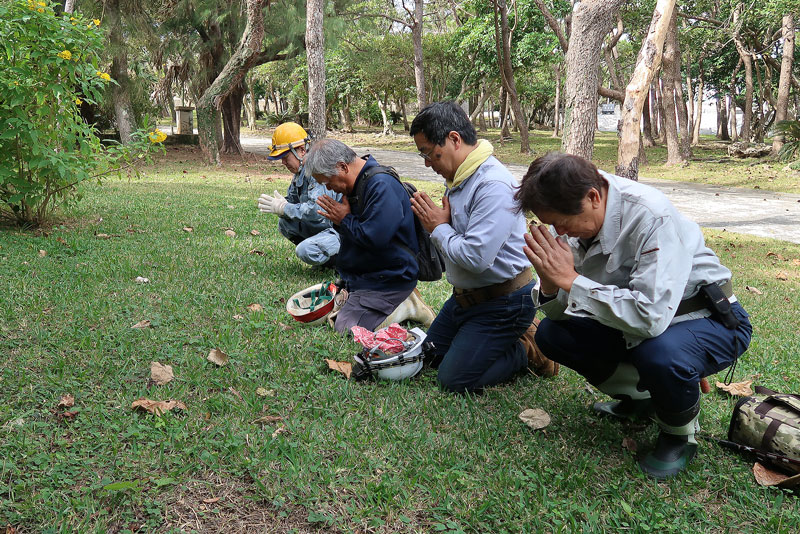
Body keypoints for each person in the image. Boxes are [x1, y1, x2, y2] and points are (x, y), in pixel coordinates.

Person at [515, 152, 752, 479]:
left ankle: (679, 436)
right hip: (643, 321)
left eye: (560, 222)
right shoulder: (576, 214)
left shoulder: (650, 215)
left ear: (593, 197)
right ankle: (642, 400)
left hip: (709, 318)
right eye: (551, 223)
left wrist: (571, 279)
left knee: (659, 353)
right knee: (552, 335)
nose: (558, 232)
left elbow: (650, 318)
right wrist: (551, 283)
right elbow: (565, 311)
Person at [407, 101, 558, 394]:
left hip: (504, 302)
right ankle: (492, 337)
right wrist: (442, 227)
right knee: (429, 357)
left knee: (454, 380)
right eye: (423, 154)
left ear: (453, 139)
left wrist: (438, 228)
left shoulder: (493, 185)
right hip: (466, 299)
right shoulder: (461, 177)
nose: (427, 162)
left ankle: (529, 348)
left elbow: (476, 258)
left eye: (429, 153)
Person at [302, 138, 419, 334]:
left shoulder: (382, 186)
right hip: (363, 278)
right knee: (318, 305)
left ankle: (406, 306)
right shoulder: (354, 185)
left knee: (346, 327)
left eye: (327, 181)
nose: (329, 188)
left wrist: (344, 220)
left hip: (388, 280)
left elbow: (376, 240)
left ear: (342, 167)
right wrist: (342, 221)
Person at [257, 122, 340, 268]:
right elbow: (294, 201)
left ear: (301, 150)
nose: (283, 162)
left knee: (305, 250)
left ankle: (341, 261)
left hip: (340, 230)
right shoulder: (300, 172)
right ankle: (327, 259)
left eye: (285, 156)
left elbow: (317, 212)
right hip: (325, 227)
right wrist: (283, 205)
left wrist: (285, 208)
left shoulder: (317, 170)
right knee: (285, 223)